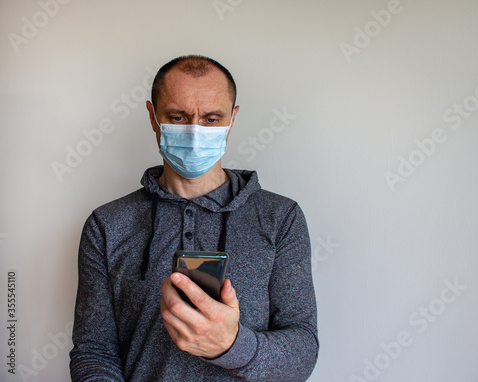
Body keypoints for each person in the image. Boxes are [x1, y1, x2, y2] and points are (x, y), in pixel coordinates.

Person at [70, 55, 319, 381]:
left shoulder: (280, 218)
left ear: (233, 119)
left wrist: (230, 345)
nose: (194, 131)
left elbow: (302, 353)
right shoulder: (106, 225)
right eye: (178, 116)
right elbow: (93, 351)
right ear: (153, 116)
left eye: (212, 118)